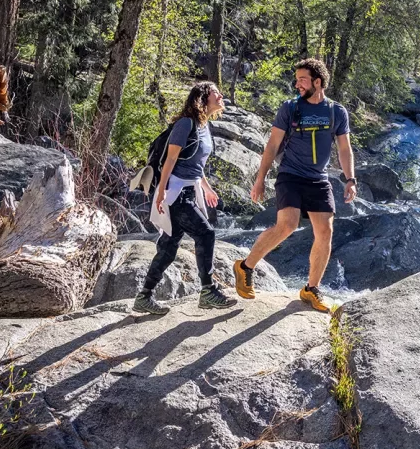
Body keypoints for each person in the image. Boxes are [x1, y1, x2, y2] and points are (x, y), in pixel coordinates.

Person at [233, 58, 356, 312]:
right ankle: (245, 267)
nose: (297, 84)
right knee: (287, 225)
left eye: (302, 79)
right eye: (297, 79)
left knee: (326, 232)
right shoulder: (290, 108)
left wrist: (350, 179)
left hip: (318, 179)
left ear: (317, 82)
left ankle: (311, 289)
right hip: (290, 175)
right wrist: (260, 179)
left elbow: (344, 148)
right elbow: (272, 145)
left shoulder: (336, 112)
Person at [132, 81, 237, 314]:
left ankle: (144, 296)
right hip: (176, 193)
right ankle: (208, 290)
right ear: (203, 98)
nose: (221, 96)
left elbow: (196, 166)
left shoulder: (203, 125)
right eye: (216, 93)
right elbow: (170, 160)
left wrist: (207, 188)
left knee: (168, 248)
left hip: (190, 190)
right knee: (206, 233)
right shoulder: (185, 124)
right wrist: (160, 193)